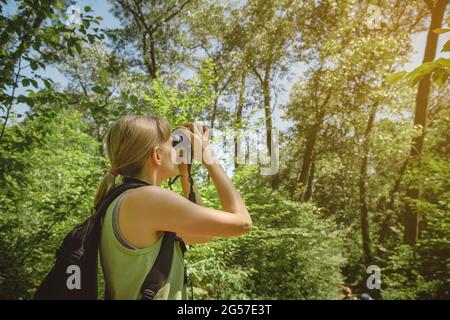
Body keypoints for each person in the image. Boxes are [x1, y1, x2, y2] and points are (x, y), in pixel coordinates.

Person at [96, 115, 252, 299]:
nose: (177, 149)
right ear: (156, 155)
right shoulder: (147, 199)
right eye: (172, 144)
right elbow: (242, 223)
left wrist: (184, 172)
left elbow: (201, 235)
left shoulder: (126, 199)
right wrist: (209, 157)